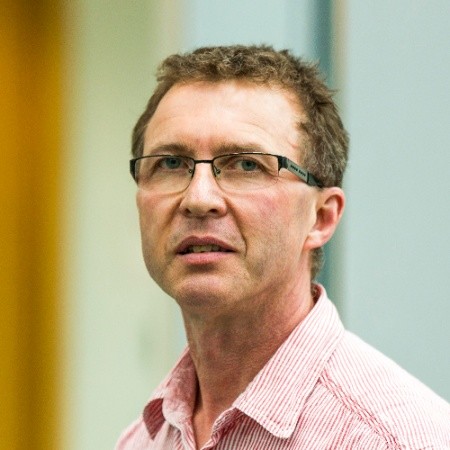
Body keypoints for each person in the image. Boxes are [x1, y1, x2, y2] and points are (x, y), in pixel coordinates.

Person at [116, 45, 450, 449]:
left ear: (322, 217)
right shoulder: (143, 440)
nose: (198, 198)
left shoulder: (396, 440)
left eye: (246, 165)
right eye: (170, 164)